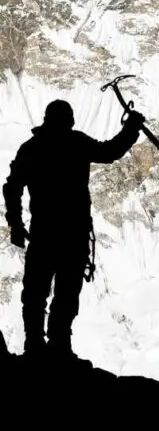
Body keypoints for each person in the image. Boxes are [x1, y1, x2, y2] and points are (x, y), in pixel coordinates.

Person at [3, 99, 145, 360]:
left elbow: (12, 187)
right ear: (69, 120)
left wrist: (16, 224)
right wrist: (132, 128)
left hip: (44, 233)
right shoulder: (76, 143)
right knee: (67, 293)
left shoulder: (31, 149)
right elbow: (110, 151)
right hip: (73, 234)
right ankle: (59, 345)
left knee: (35, 292)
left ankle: (34, 344)